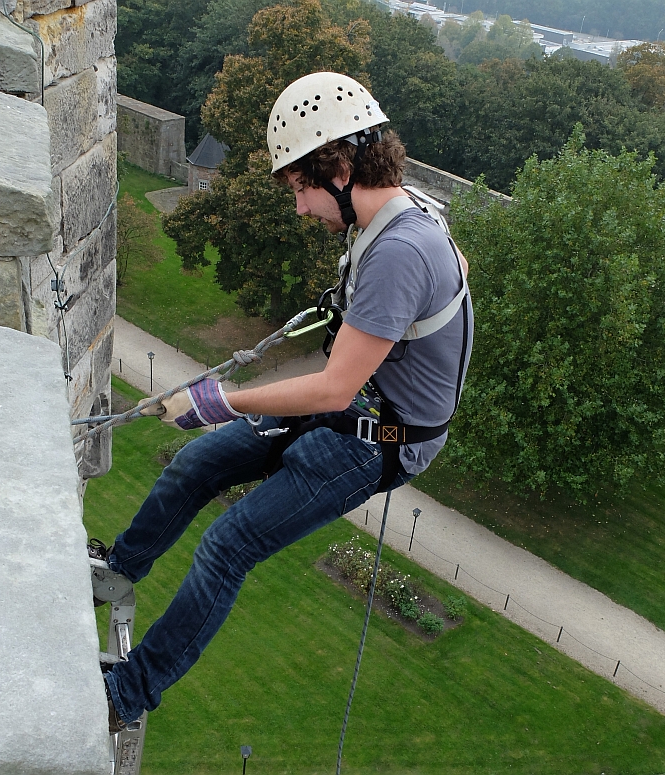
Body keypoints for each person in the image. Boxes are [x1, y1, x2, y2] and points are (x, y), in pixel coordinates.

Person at [93, 71, 473, 733]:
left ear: (343, 166)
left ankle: (126, 695)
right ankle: (120, 566)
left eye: (301, 188)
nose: (299, 209)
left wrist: (217, 400)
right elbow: (458, 268)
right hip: (359, 406)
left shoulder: (401, 251)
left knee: (226, 546)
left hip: (378, 440)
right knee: (196, 465)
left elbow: (331, 386)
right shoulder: (405, 212)